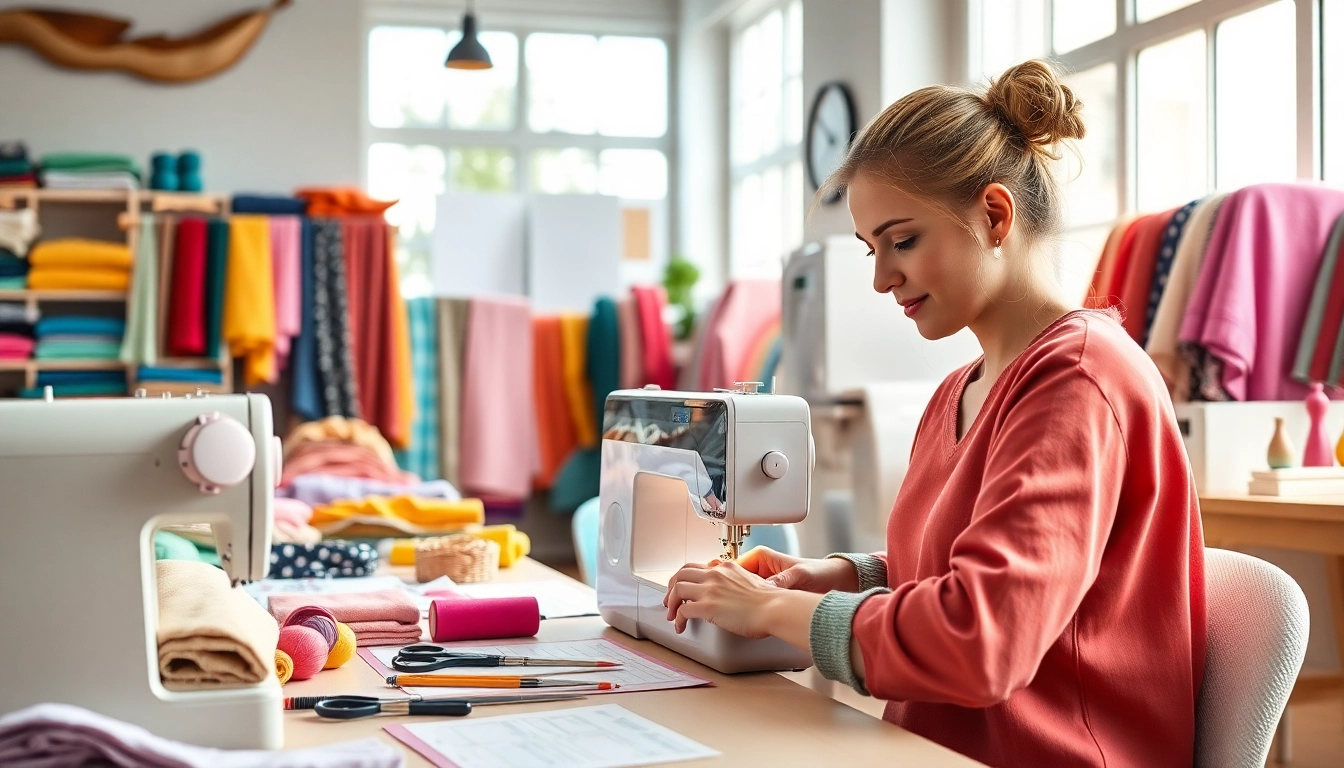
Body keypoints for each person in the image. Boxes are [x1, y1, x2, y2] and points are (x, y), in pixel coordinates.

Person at [663, 60, 1204, 768]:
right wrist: (839, 578)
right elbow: (955, 569)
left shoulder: (1076, 379)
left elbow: (985, 638)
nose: (882, 278)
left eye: (902, 241)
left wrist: (771, 612)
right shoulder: (958, 390)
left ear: (995, 214)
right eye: (871, 250)